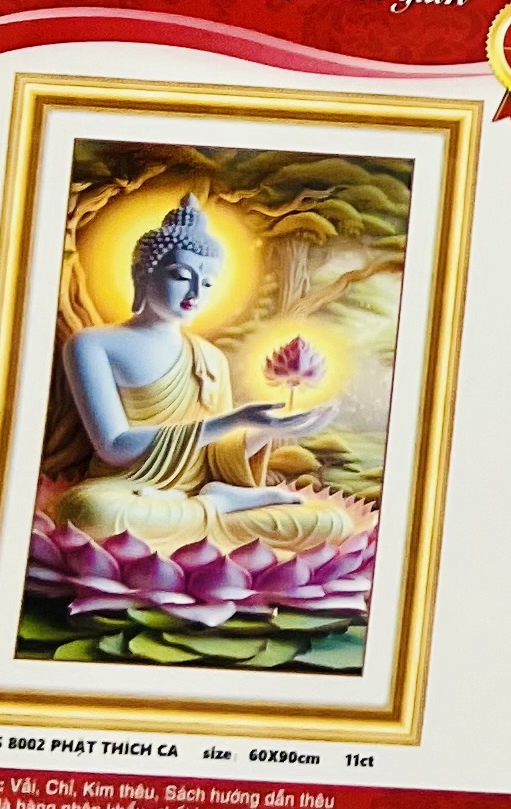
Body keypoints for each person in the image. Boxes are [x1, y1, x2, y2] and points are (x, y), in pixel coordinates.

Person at [48, 192, 367, 557]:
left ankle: (214, 505)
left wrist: (268, 430)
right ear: (142, 274)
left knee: (331, 523)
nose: (196, 292)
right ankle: (216, 507)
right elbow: (115, 448)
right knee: (90, 513)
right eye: (181, 276)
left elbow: (213, 457)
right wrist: (234, 420)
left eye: (209, 283)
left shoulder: (210, 358)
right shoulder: (92, 344)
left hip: (185, 498)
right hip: (126, 489)